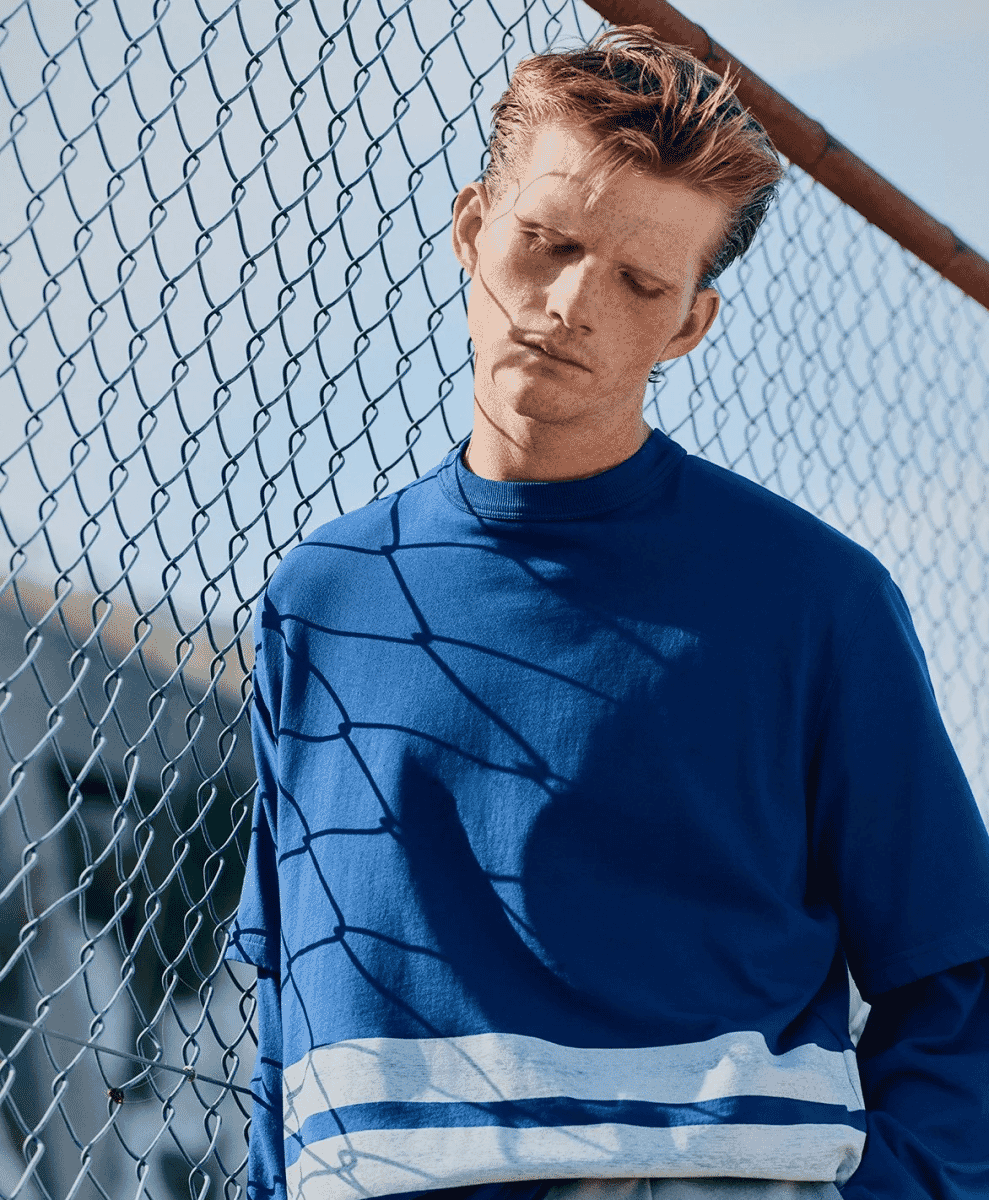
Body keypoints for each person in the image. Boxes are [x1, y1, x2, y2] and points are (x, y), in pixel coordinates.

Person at [225, 25, 989, 1200]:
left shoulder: (810, 599)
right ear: (473, 225)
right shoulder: (321, 600)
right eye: (545, 242)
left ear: (688, 324)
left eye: (639, 282)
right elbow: (285, 992)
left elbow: (958, 976)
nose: (572, 304)